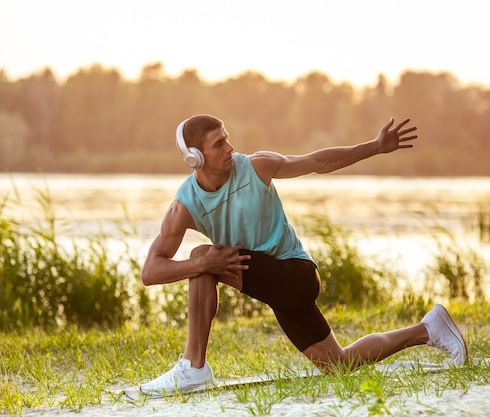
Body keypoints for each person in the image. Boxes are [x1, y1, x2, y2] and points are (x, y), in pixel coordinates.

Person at [138, 114, 467, 397]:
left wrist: (375, 146)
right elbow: (150, 271)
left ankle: (193, 365)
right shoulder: (184, 205)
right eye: (219, 144)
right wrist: (201, 264)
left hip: (296, 275)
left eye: (227, 139)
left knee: (204, 256)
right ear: (195, 158)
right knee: (339, 364)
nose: (230, 148)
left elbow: (316, 162)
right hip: (272, 285)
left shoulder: (256, 167)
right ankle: (428, 329)